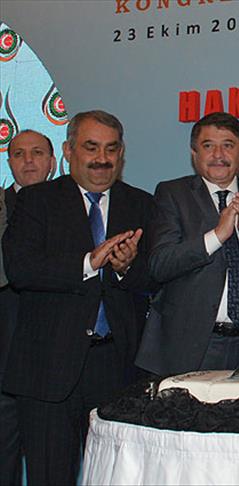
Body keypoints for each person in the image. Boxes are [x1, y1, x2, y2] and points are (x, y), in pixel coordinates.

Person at [1, 110, 155, 485]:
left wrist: (126, 267)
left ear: (122, 154)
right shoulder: (35, 201)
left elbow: (155, 278)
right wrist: (89, 262)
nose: (102, 158)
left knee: (116, 478)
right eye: (91, 147)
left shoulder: (142, 204)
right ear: (69, 151)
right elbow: (20, 269)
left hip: (117, 369)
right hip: (48, 371)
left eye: (111, 149)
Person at [135, 112, 239, 375]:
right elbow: (160, 265)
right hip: (192, 345)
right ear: (194, 154)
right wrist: (217, 235)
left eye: (228, 145)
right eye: (208, 145)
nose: (218, 155)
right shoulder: (172, 195)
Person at [0, 129, 57, 486]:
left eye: (37, 153)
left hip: (54, 361)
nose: (28, 161)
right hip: (5, 356)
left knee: (51, 463)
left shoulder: (73, 207)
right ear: (9, 162)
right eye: (19, 154)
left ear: (53, 161)